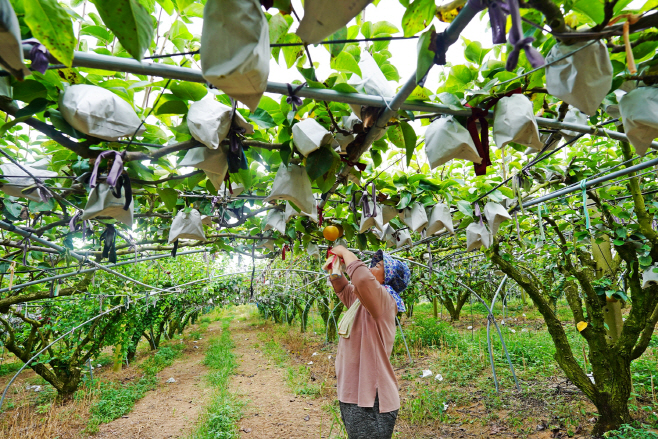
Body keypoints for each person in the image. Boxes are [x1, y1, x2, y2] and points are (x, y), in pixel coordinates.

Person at [328, 245, 410, 439]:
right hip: (353, 392)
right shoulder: (362, 303)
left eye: (378, 265)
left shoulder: (384, 302)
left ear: (388, 277)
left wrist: (345, 253)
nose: (371, 266)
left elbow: (362, 279)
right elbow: (344, 289)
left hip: (372, 397)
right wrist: (335, 270)